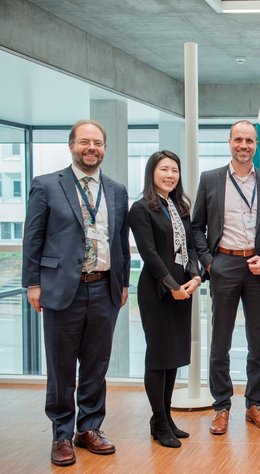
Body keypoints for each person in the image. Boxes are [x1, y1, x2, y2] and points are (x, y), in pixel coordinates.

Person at [22, 120, 130, 466]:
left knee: (97, 364)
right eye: (85, 142)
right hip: (60, 289)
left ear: (104, 148)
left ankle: (90, 428)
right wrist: (33, 283)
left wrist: (123, 282)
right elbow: (32, 239)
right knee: (61, 366)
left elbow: (120, 241)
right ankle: (61, 434)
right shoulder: (46, 185)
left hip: (104, 287)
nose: (91, 148)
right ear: (72, 145)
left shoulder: (115, 190)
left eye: (97, 143)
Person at [191, 121, 260, 434]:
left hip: (257, 267)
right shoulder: (210, 179)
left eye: (249, 141)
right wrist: (209, 263)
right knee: (220, 343)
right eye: (238, 140)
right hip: (224, 265)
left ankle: (254, 405)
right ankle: (221, 407)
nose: (244, 145)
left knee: (258, 343)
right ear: (229, 142)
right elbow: (196, 228)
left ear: (256, 145)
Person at [128, 150, 201, 448]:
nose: (170, 175)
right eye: (164, 170)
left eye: (175, 170)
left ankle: (166, 417)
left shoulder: (180, 205)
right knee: (158, 357)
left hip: (184, 287)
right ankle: (158, 421)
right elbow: (150, 254)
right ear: (152, 173)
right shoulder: (140, 208)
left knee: (173, 356)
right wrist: (172, 285)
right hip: (158, 290)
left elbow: (193, 245)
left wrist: (196, 276)